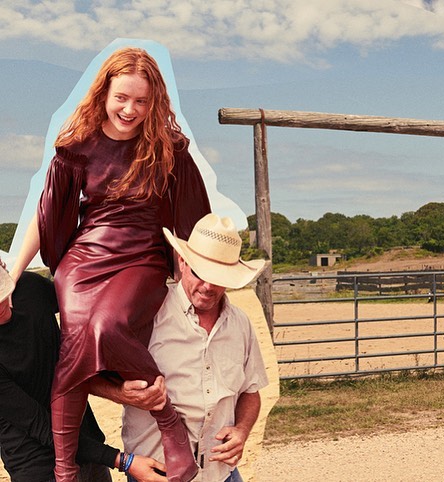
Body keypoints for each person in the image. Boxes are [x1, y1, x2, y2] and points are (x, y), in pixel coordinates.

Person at [9, 46, 211, 482]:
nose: (131, 109)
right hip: (83, 259)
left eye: (141, 101)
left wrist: (198, 273)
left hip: (142, 256)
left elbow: (195, 222)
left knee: (106, 325)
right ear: (103, 92)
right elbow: (43, 220)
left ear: (154, 100)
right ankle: (66, 470)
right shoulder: (76, 146)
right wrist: (11, 272)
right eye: (122, 97)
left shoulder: (170, 148)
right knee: (78, 335)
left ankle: (168, 422)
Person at [122, 213, 269, 482]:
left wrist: (242, 430)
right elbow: (90, 377)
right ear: (182, 261)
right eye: (200, 273)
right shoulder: (146, 314)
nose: (208, 286)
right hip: (157, 474)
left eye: (219, 277)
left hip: (220, 473)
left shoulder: (241, 325)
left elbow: (251, 391)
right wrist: (123, 393)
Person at [0, 261, 169, 481]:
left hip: (89, 449)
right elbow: (41, 426)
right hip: (37, 465)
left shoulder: (29, 287)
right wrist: (122, 460)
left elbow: (85, 302)